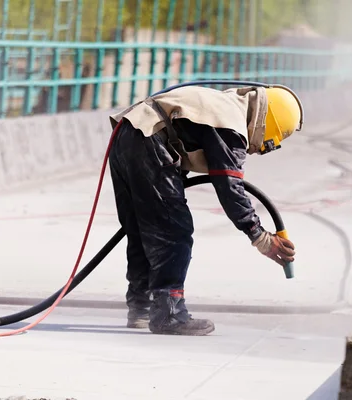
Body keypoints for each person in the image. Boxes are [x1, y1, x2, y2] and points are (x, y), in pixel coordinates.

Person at [107, 83, 302, 336]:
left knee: (142, 229)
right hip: (147, 140)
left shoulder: (224, 106)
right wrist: (260, 236)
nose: (257, 149)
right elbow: (230, 187)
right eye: (267, 142)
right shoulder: (230, 125)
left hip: (128, 134)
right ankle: (169, 313)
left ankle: (141, 307)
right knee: (174, 231)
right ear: (266, 124)